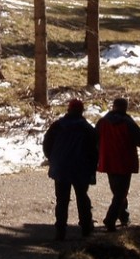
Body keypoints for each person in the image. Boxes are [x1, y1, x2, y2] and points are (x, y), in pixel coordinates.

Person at [96, 97, 140, 232]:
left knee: (117, 191)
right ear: (125, 107)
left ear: (113, 106)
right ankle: (110, 219)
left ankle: (124, 216)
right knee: (121, 193)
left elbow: (94, 139)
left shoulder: (103, 122)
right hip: (124, 162)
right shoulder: (127, 122)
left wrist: (97, 154)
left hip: (108, 161)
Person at [42, 99, 98, 240]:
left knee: (62, 200)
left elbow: (47, 144)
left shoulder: (58, 125)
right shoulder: (86, 128)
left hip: (61, 167)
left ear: (69, 109)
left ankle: (60, 230)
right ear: (81, 110)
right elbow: (94, 150)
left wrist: (53, 159)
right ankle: (86, 227)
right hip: (80, 167)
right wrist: (91, 167)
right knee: (82, 197)